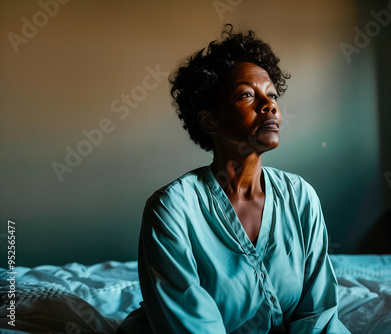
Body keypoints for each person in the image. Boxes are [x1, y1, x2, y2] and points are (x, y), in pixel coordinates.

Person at [118, 24, 350, 334]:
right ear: (209, 120)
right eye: (246, 96)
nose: (269, 106)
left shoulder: (300, 196)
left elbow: (318, 315)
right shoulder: (172, 209)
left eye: (272, 95)